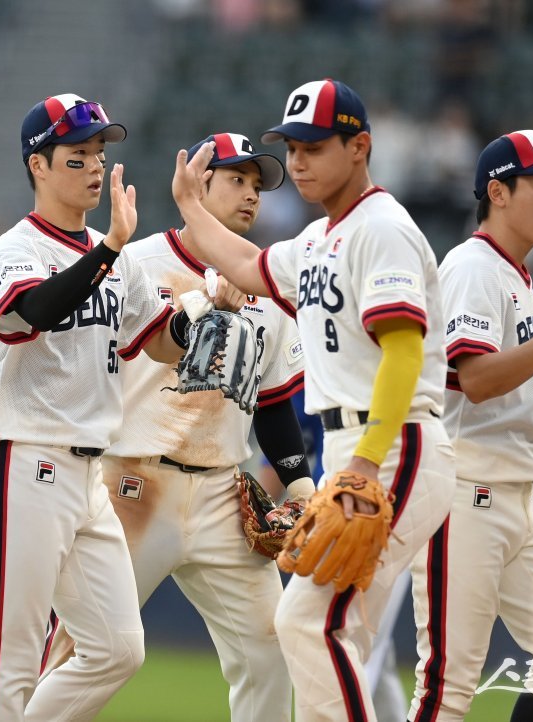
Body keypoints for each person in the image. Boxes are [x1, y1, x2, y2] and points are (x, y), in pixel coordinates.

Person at [171, 78, 456, 721]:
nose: (298, 160)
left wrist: (366, 463)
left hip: (392, 443)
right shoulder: (323, 236)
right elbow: (249, 267)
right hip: (363, 444)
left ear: (360, 147)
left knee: (307, 623)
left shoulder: (381, 229)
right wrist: (190, 206)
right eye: (291, 146)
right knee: (338, 631)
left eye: (314, 146)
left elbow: (404, 352)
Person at [43, 132, 313, 721]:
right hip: (133, 483)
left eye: (257, 184)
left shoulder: (266, 282)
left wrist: (301, 490)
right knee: (83, 650)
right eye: (236, 179)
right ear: (198, 182)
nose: (251, 194)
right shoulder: (137, 261)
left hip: (223, 491)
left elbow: (272, 402)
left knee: (271, 650)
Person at [0, 93, 206, 722]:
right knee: (11, 655)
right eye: (78, 155)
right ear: (38, 165)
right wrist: (106, 253)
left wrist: (208, 308)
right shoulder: (16, 248)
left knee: (117, 649)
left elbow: (157, 341)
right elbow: (32, 314)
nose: (96, 166)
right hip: (22, 458)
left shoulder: (112, 251)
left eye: (100, 153)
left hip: (87, 473)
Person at [404, 130, 533, 721]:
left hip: (518, 499)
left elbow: (499, 399)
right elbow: (475, 379)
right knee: (447, 686)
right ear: (497, 191)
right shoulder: (472, 267)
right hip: (464, 497)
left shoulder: (516, 276)